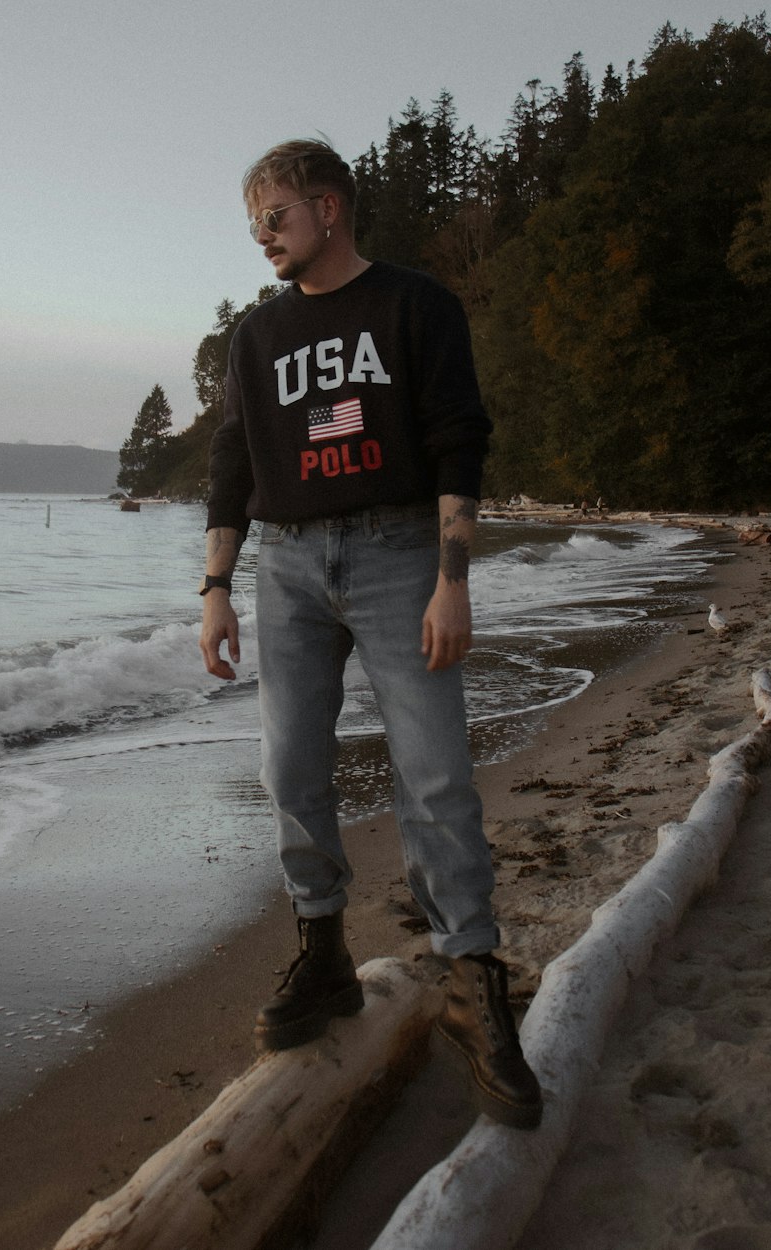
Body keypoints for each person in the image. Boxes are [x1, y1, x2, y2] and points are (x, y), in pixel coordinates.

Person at [198, 139, 541, 1130]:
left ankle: (472, 973)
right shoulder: (255, 339)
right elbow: (232, 460)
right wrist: (217, 584)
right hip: (288, 565)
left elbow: (455, 436)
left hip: (399, 555)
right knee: (289, 766)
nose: (263, 236)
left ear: (329, 207)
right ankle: (322, 951)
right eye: (253, 222)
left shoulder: (412, 305)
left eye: (275, 216)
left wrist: (451, 578)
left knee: (433, 771)